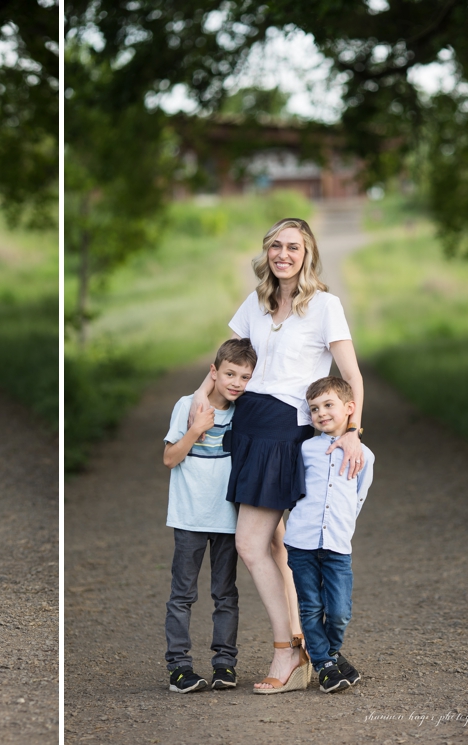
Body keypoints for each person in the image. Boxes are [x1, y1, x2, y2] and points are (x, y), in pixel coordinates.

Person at [191, 216, 366, 694]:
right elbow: (224, 364)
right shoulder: (257, 302)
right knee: (274, 545)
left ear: (307, 253)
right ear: (266, 252)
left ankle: (287, 652)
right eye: (275, 246)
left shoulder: (325, 306)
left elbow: (350, 376)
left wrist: (352, 429)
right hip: (247, 428)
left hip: (283, 432)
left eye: (292, 246)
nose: (283, 254)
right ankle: (306, 644)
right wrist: (196, 404)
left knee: (250, 544)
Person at [160, 338, 256, 693]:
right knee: (182, 594)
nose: (236, 383)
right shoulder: (188, 406)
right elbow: (170, 459)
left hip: (229, 518)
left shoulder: (245, 412)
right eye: (230, 373)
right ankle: (179, 667)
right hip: (189, 517)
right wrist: (196, 429)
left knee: (225, 595)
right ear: (213, 372)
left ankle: (224, 665)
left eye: (244, 377)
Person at [286, 375, 373, 693]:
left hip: (337, 544)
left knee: (338, 611)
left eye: (328, 405)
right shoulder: (305, 449)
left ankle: (331, 652)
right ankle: (324, 665)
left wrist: (342, 526)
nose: (321, 413)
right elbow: (294, 490)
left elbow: (358, 496)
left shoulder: (365, 455)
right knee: (310, 606)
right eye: (314, 408)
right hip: (301, 542)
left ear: (350, 408)